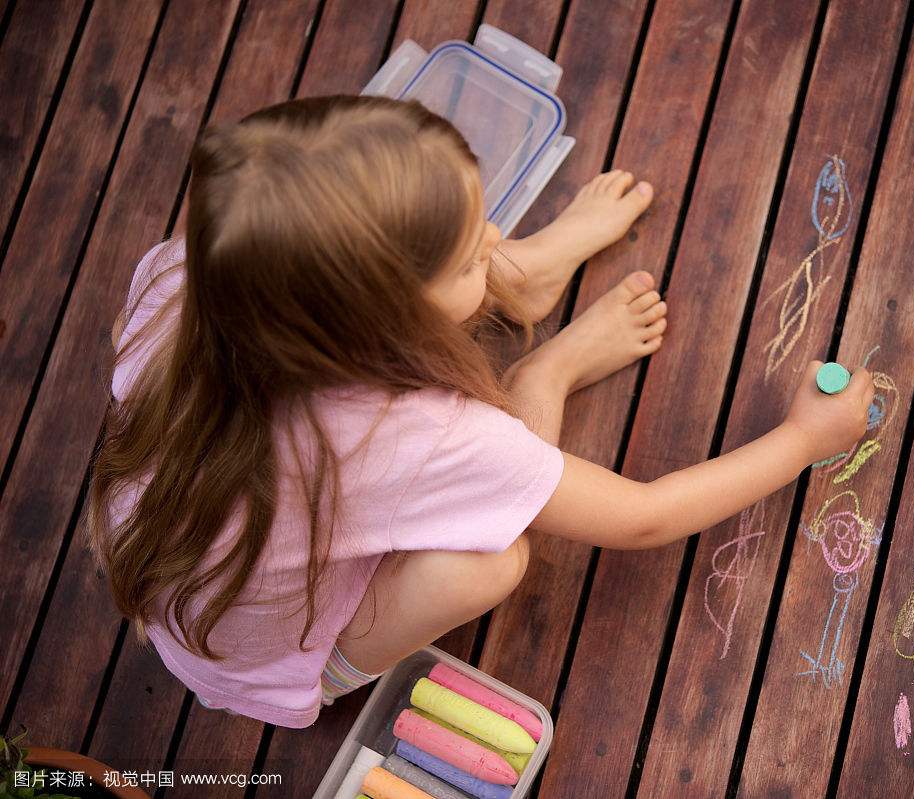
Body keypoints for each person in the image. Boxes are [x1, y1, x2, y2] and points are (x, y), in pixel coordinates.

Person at [87, 95, 873, 728]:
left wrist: (485, 268)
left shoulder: (189, 280)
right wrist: (804, 438)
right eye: (473, 257)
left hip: (193, 582)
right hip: (275, 659)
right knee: (493, 558)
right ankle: (547, 365)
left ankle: (527, 283)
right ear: (377, 329)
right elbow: (643, 516)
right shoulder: (412, 439)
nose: (495, 233)